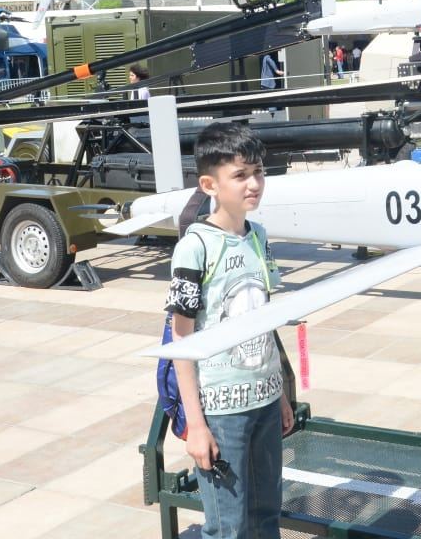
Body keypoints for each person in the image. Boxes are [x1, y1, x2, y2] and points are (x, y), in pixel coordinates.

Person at [164, 122, 294, 539]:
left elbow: (264, 317)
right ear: (210, 184)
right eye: (240, 175)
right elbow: (181, 339)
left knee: (267, 514)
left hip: (265, 401)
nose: (254, 183)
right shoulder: (195, 247)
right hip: (222, 411)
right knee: (229, 527)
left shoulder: (259, 237)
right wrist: (196, 425)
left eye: (258, 171)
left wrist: (283, 393)